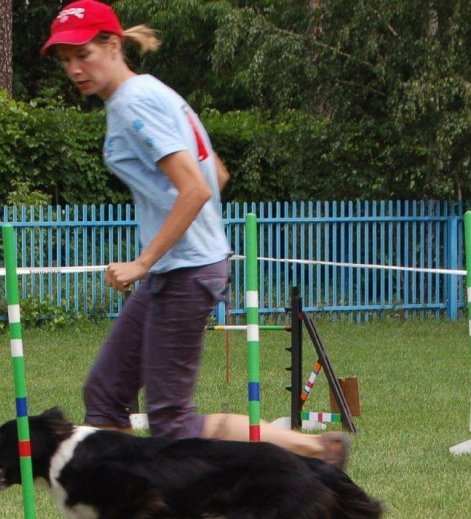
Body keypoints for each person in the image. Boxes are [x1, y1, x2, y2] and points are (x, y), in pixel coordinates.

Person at [40, 0, 350, 467]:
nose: (75, 69)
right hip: (182, 268)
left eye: (83, 54)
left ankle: (316, 448)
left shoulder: (133, 103)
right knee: (105, 393)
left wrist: (142, 262)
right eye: (66, 60)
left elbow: (195, 189)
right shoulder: (155, 93)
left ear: (113, 44)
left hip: (184, 273)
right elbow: (217, 174)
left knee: (172, 422)